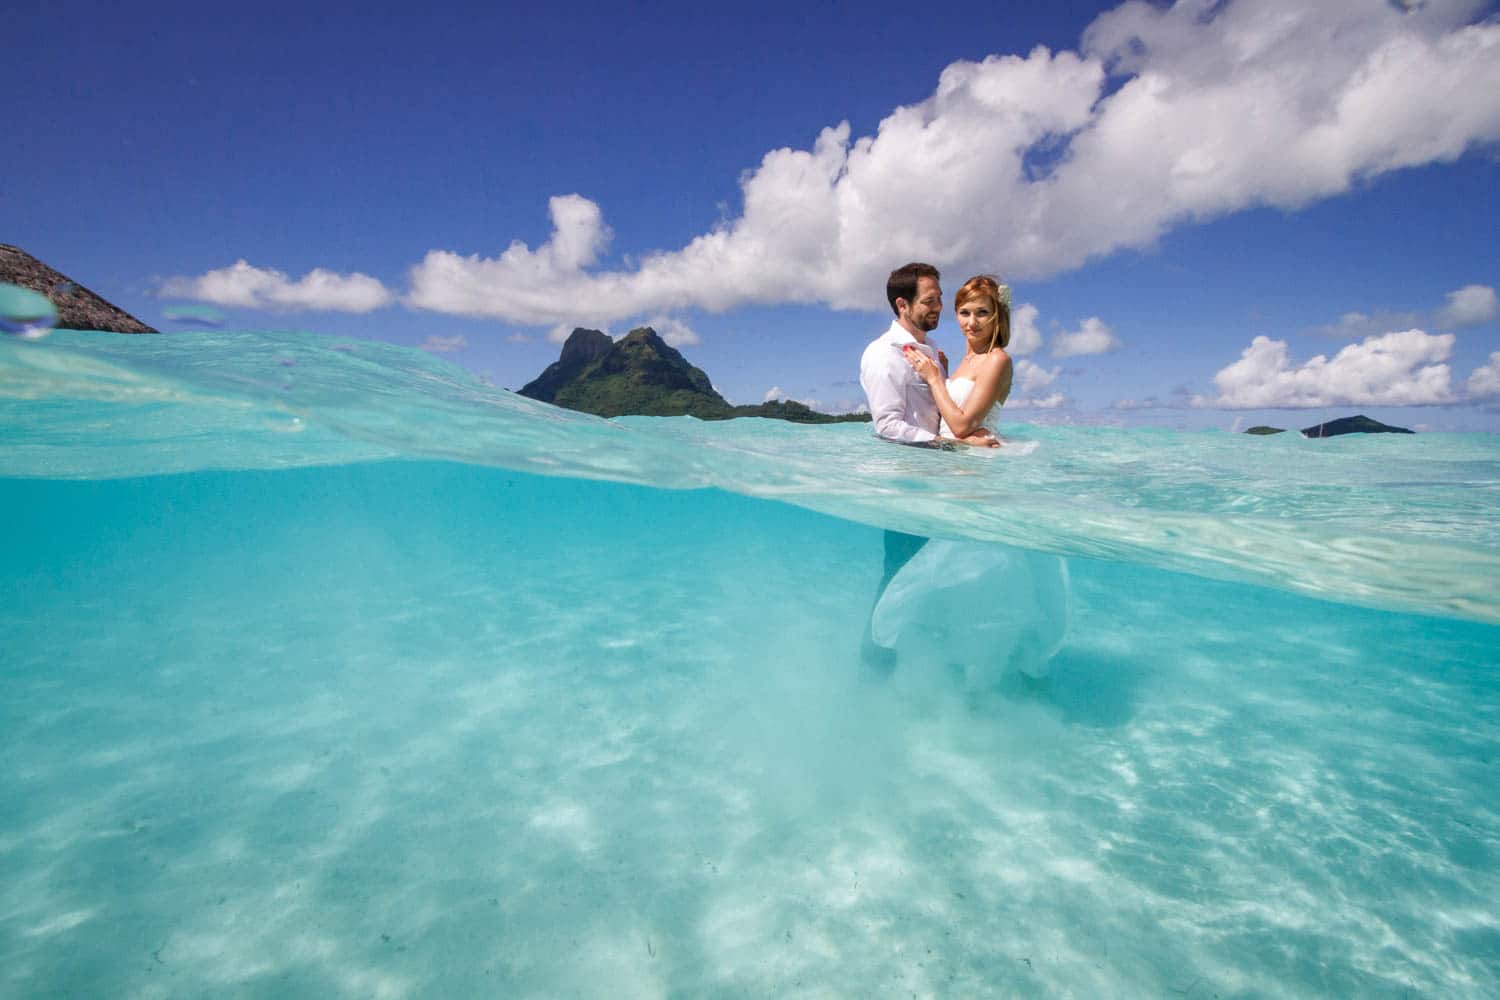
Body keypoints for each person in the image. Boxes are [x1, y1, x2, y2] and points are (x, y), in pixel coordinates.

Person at [901, 274, 1014, 444]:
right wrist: (944, 375)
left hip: (976, 463)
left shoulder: (997, 359)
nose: (972, 322)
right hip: (954, 457)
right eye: (964, 313)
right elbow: (949, 416)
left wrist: (934, 379)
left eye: (982, 312)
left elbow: (961, 427)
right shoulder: (966, 360)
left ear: (996, 315)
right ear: (956, 316)